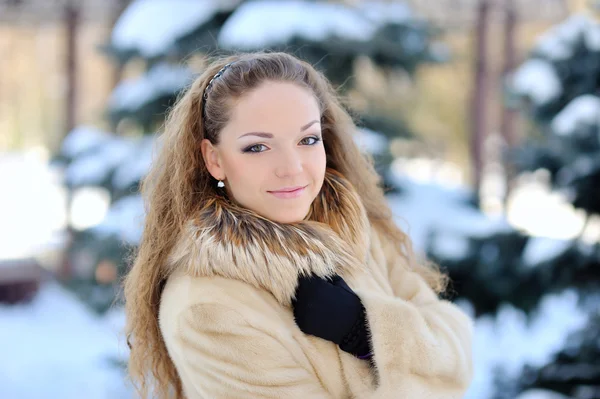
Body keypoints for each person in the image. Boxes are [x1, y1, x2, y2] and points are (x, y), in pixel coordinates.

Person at [123, 52, 473, 399]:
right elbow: (442, 372)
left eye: (307, 140)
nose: (292, 168)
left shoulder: (354, 229)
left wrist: (365, 330)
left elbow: (458, 352)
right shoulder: (207, 308)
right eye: (257, 147)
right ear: (214, 159)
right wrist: (410, 359)